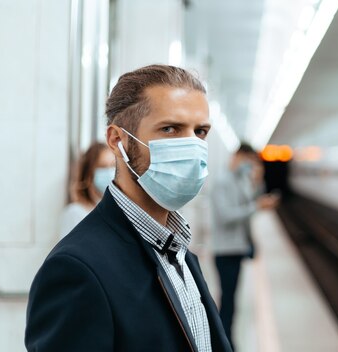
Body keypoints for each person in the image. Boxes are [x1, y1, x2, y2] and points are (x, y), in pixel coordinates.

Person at [25, 65, 232, 352]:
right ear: (117, 140)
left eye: (200, 131)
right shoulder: (77, 269)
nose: (191, 145)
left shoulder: (182, 255)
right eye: (170, 129)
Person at [210, 143, 279, 348]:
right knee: (227, 300)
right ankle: (224, 342)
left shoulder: (240, 179)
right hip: (224, 250)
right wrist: (256, 207)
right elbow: (227, 216)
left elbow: (250, 201)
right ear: (239, 156)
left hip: (238, 247)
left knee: (232, 299)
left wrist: (257, 183)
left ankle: (227, 341)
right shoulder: (222, 181)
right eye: (249, 160)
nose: (250, 165)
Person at [59, 142, 115, 238]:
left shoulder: (115, 212)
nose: (109, 172)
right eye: (102, 166)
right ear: (89, 173)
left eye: (113, 166)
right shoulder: (76, 213)